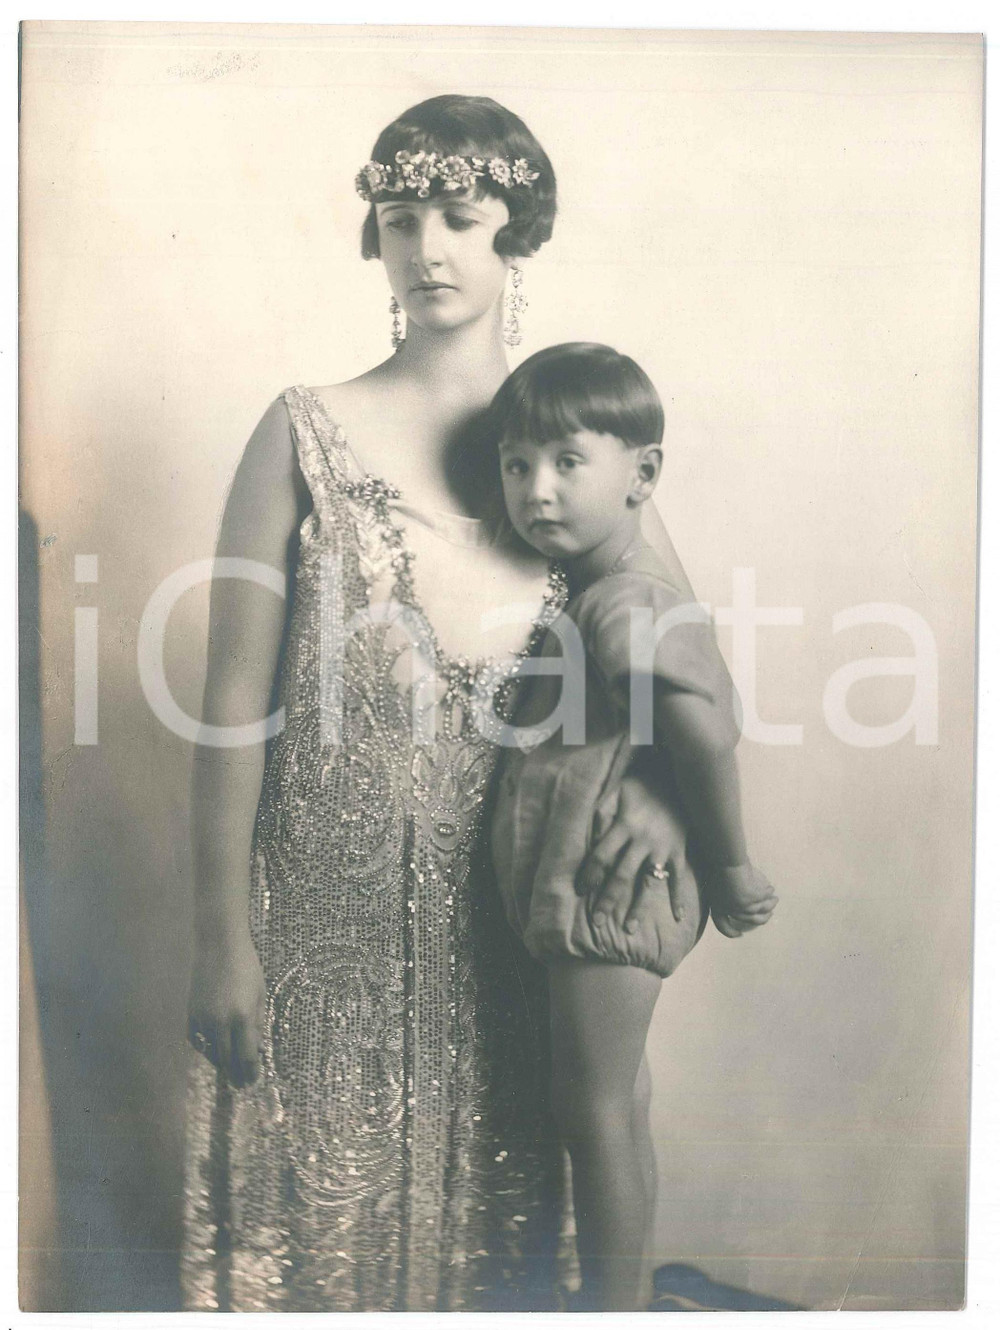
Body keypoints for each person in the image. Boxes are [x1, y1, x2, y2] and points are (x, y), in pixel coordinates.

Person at [182, 97, 697, 1312]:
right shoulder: (301, 430)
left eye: (461, 216)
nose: (428, 247)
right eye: (401, 218)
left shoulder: (567, 445)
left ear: (517, 232)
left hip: (515, 904)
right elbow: (229, 707)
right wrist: (221, 938)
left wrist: (671, 807)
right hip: (320, 918)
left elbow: (677, 649)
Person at [489, 343, 779, 1311]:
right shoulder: (600, 586)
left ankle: (613, 1309)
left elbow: (703, 729)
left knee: (596, 1107)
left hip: (610, 882)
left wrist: (732, 863)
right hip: (590, 875)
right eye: (517, 464)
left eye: (568, 462)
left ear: (641, 475)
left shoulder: (624, 604)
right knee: (616, 1098)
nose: (537, 490)